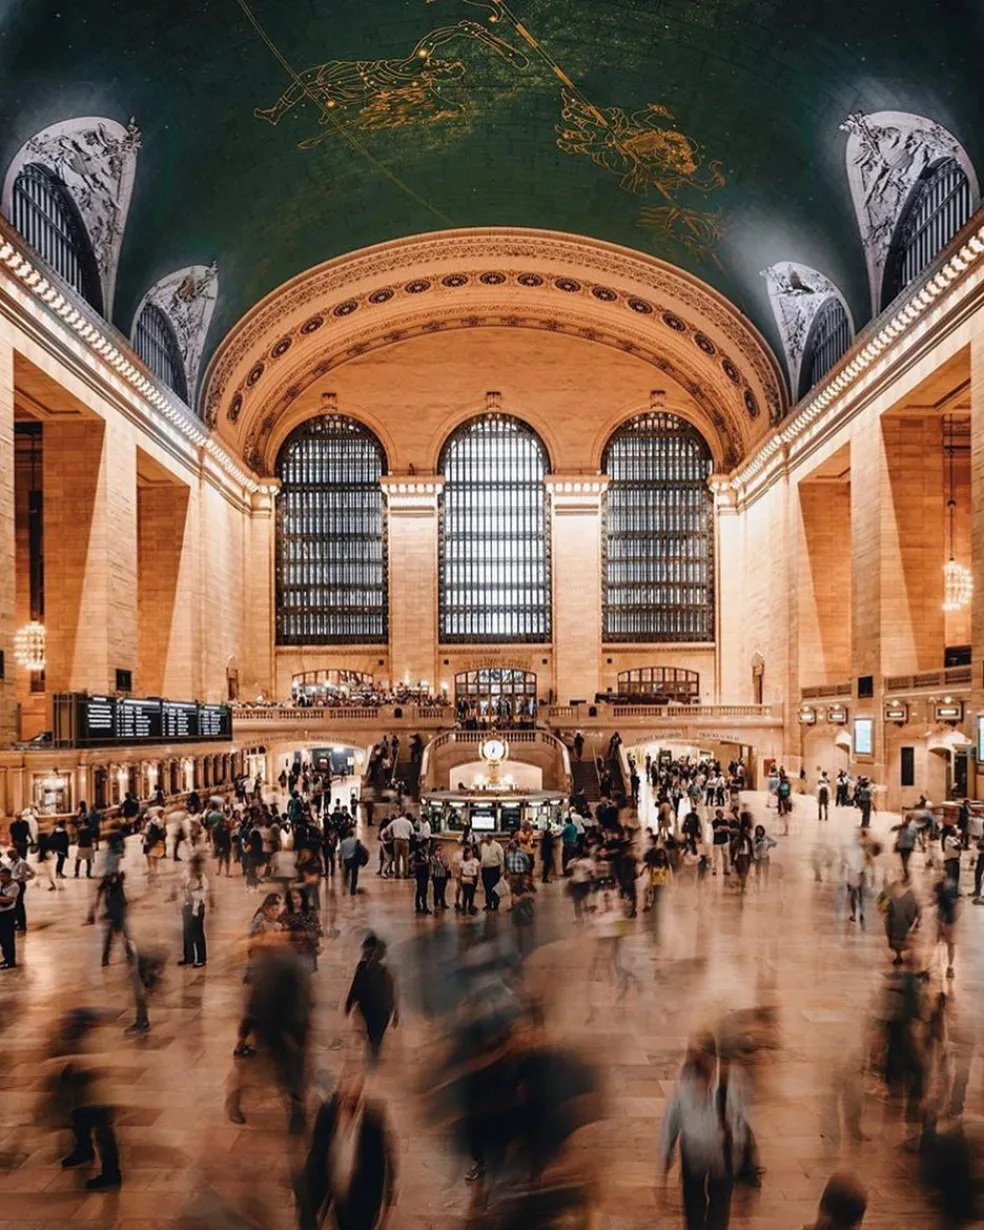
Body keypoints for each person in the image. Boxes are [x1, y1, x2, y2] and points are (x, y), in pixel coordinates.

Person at [657, 1031, 747, 1230]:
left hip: (722, 1158)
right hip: (693, 1155)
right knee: (693, 1212)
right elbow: (671, 1122)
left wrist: (738, 1164)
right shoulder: (684, 1083)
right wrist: (664, 1162)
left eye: (701, 1056)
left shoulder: (729, 1082)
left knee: (719, 1213)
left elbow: (740, 1123)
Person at [297, 1067, 397, 1230]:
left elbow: (383, 1166)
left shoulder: (373, 1122)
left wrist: (386, 1208)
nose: (348, 1098)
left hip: (362, 1205)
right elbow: (317, 1156)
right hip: (336, 1199)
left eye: (353, 1095)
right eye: (346, 1092)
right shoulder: (326, 1115)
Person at [345, 934, 398, 1064]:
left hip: (381, 1010)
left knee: (376, 1037)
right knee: (370, 1033)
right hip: (368, 1007)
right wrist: (349, 1003)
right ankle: (373, 1052)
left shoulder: (385, 971)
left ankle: (374, 1054)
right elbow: (355, 986)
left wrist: (395, 1011)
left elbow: (391, 992)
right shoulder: (362, 967)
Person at [878, 877, 920, 966]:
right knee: (897, 937)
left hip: (900, 920)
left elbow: (915, 909)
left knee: (900, 937)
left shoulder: (908, 893)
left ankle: (900, 955)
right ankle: (900, 955)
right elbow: (882, 905)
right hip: (895, 920)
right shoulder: (891, 891)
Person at [178, 856, 210, 968]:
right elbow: (182, 885)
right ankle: (189, 956)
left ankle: (201, 958)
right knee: (186, 932)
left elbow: (203, 892)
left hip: (197, 908)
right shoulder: (186, 873)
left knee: (198, 933)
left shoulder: (201, 877)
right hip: (187, 906)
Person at [7, 846, 34, 932]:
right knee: (13, 904)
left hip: (19, 884)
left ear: (15, 853)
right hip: (12, 884)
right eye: (8, 855)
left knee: (19, 904)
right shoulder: (10, 863)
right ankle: (16, 922)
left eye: (10, 854)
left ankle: (22, 924)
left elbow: (21, 876)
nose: (9, 856)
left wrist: (11, 878)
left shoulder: (21, 863)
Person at [0, 864, 20, 969]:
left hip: (8, 915)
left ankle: (10, 961)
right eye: (0, 876)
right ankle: (6, 958)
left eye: (3, 876)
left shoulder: (14, 886)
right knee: (2, 939)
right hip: (1, 914)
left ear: (9, 876)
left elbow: (9, 900)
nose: (1, 878)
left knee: (8, 939)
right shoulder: (2, 885)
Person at [479, 833, 505, 911]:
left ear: (489, 838)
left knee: (495, 887)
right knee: (487, 887)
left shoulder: (497, 846)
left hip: (494, 869)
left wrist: (501, 870)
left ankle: (496, 904)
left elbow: (501, 859)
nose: (484, 839)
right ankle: (488, 904)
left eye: (485, 838)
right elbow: (482, 857)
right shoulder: (483, 846)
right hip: (485, 869)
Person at [412, 842, 431, 915]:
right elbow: (415, 863)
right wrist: (425, 864)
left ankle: (424, 906)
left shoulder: (427, 852)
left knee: (425, 891)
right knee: (420, 890)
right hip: (420, 874)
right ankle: (418, 906)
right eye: (428, 843)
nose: (429, 844)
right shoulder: (418, 852)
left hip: (425, 874)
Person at [459, 845, 480, 915]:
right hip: (466, 878)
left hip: (473, 878)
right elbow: (461, 872)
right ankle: (464, 907)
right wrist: (460, 880)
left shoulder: (475, 860)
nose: (470, 854)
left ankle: (470, 907)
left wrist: (479, 880)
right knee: (466, 894)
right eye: (468, 853)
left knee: (472, 894)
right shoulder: (462, 862)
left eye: (471, 852)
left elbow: (478, 871)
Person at [430, 843, 450, 910]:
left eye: (441, 849)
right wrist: (438, 859)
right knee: (436, 889)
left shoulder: (444, 856)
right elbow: (435, 865)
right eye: (438, 849)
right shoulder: (433, 857)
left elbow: (447, 865)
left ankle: (443, 903)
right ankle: (436, 903)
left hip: (443, 874)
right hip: (436, 874)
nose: (440, 851)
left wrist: (443, 860)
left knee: (443, 889)